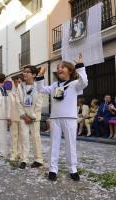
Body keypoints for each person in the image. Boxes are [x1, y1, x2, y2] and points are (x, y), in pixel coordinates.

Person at [36, 53, 88, 181]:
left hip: (70, 118)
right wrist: (40, 75)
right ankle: (53, 169)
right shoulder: (55, 85)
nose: (59, 69)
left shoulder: (75, 84)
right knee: (54, 144)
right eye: (58, 67)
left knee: (71, 145)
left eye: (62, 67)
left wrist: (80, 66)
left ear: (70, 70)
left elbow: (84, 82)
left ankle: (73, 169)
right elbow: (41, 89)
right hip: (55, 119)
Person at [16, 65, 44, 169]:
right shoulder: (20, 86)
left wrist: (32, 116)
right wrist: (24, 116)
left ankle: (38, 159)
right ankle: (24, 159)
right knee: (24, 137)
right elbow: (18, 102)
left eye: (27, 72)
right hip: (23, 117)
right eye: (24, 72)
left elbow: (39, 103)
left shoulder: (38, 86)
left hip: (34, 117)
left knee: (36, 138)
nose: (25, 74)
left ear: (34, 74)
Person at [7, 76, 22, 163]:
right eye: (16, 82)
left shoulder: (23, 92)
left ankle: (20, 153)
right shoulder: (10, 94)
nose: (17, 84)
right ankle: (13, 153)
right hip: (13, 117)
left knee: (21, 137)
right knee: (14, 136)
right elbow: (8, 106)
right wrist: (8, 117)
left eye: (19, 82)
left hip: (22, 117)